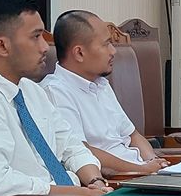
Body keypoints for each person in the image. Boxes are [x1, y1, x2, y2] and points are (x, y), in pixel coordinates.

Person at [0, 0, 111, 196]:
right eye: (35, 37)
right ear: (2, 46)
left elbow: (71, 145)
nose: (44, 47)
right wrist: (78, 193)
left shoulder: (31, 90)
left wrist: (95, 182)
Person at [41, 10, 169, 174]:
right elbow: (81, 152)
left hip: (140, 173)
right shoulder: (56, 91)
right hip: (118, 179)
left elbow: (133, 135)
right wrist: (140, 169)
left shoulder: (101, 84)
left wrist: (153, 162)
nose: (113, 51)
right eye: (106, 44)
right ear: (79, 53)